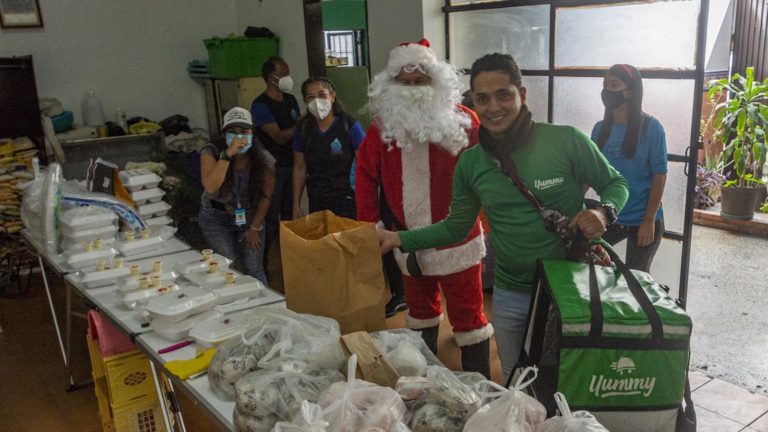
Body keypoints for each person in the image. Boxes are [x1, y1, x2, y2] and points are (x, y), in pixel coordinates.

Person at [377, 53, 629, 382]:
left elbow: (616, 183)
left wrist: (603, 211)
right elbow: (456, 227)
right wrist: (399, 239)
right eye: (483, 98)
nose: (493, 107)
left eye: (503, 95)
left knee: (567, 379)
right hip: (511, 293)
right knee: (517, 380)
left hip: (568, 288)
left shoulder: (565, 140)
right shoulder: (471, 164)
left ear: (521, 95)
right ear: (474, 103)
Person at [356, 39, 493, 378]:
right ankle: (423, 382)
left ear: (437, 83)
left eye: (421, 82)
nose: (414, 90)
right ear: (392, 84)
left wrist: (492, 219)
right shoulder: (381, 127)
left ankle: (483, 388)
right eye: (406, 83)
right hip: (405, 239)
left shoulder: (466, 121)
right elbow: (364, 173)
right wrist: (369, 223)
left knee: (469, 319)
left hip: (457, 241)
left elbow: (488, 176)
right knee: (420, 312)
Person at [591, 64, 667, 272]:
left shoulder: (651, 127)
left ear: (631, 91)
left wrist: (649, 220)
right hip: (610, 216)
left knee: (636, 280)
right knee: (593, 269)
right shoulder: (600, 129)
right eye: (605, 85)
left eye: (614, 85)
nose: (607, 91)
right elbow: (589, 171)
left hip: (643, 218)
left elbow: (659, 176)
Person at [198, 107, 275, 285]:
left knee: (253, 268)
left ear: (252, 133)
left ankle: (264, 307)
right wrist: (227, 156)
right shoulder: (211, 151)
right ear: (224, 134)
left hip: (249, 216)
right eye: (233, 132)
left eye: (244, 132)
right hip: (215, 217)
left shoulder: (263, 159)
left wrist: (255, 229)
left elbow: (266, 197)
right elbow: (210, 186)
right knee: (228, 267)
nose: (239, 137)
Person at [250, 57, 301, 269]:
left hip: (294, 165)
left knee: (291, 214)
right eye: (284, 73)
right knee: (271, 215)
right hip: (273, 168)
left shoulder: (290, 100)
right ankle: (266, 261)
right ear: (271, 77)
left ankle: (292, 259)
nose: (288, 77)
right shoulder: (260, 105)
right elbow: (278, 136)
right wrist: (303, 124)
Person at [291, 77, 365, 219]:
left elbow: (364, 165)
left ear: (332, 96)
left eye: (322, 95)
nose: (317, 101)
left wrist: (366, 202)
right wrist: (296, 204)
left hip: (347, 200)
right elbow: (299, 167)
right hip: (317, 200)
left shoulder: (349, 125)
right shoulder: (303, 129)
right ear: (305, 102)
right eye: (311, 97)